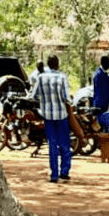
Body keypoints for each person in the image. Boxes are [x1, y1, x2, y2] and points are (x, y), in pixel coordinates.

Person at [30, 55, 72, 183]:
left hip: (47, 116)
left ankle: (54, 175)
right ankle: (64, 172)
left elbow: (34, 96)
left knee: (52, 145)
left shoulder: (40, 78)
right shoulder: (62, 77)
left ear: (48, 64)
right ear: (57, 64)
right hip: (61, 116)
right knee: (64, 144)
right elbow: (67, 98)